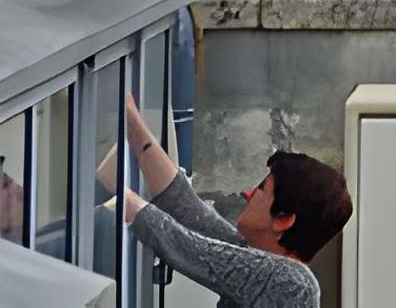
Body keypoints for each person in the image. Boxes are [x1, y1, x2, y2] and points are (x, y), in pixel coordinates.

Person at [103, 91, 347, 308]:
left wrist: (127, 203)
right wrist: (133, 125)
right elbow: (185, 208)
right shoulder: (256, 259)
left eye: (262, 189)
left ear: (283, 220)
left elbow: (193, 250)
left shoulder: (293, 284)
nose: (249, 193)